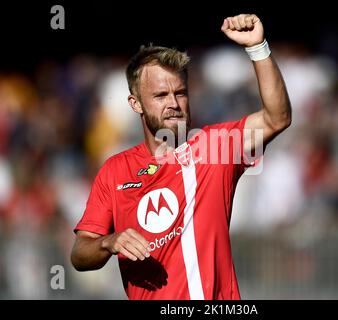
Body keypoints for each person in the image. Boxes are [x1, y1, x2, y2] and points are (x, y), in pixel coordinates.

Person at [71, 13, 291, 300]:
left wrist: (258, 47)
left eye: (181, 93)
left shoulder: (215, 148)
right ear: (135, 103)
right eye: (161, 95)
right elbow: (80, 253)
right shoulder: (115, 170)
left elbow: (277, 118)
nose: (174, 104)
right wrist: (109, 242)